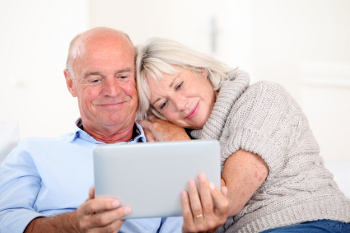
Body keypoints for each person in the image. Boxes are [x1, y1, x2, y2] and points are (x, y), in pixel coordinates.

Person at [0, 27, 229, 233]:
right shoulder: (32, 153)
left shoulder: (167, 155)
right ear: (70, 83)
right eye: (95, 79)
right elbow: (5, 220)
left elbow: (183, 227)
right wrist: (73, 225)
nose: (111, 90)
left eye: (122, 76)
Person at [135, 37, 350, 233]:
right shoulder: (186, 141)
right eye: (163, 104)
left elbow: (226, 200)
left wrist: (176, 141)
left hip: (309, 221)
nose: (180, 104)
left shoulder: (262, 98)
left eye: (179, 85)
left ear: (200, 69)